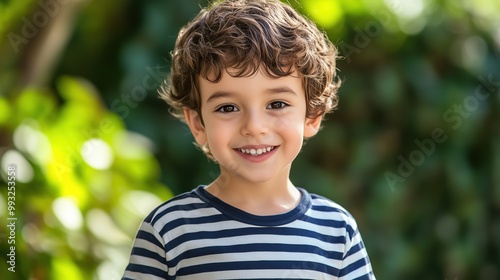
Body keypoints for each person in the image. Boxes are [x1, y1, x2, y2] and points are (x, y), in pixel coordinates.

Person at [123, 0, 375, 279]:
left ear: (312, 115)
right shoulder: (169, 231)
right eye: (227, 108)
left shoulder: (336, 231)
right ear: (198, 123)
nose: (254, 127)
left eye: (277, 104)